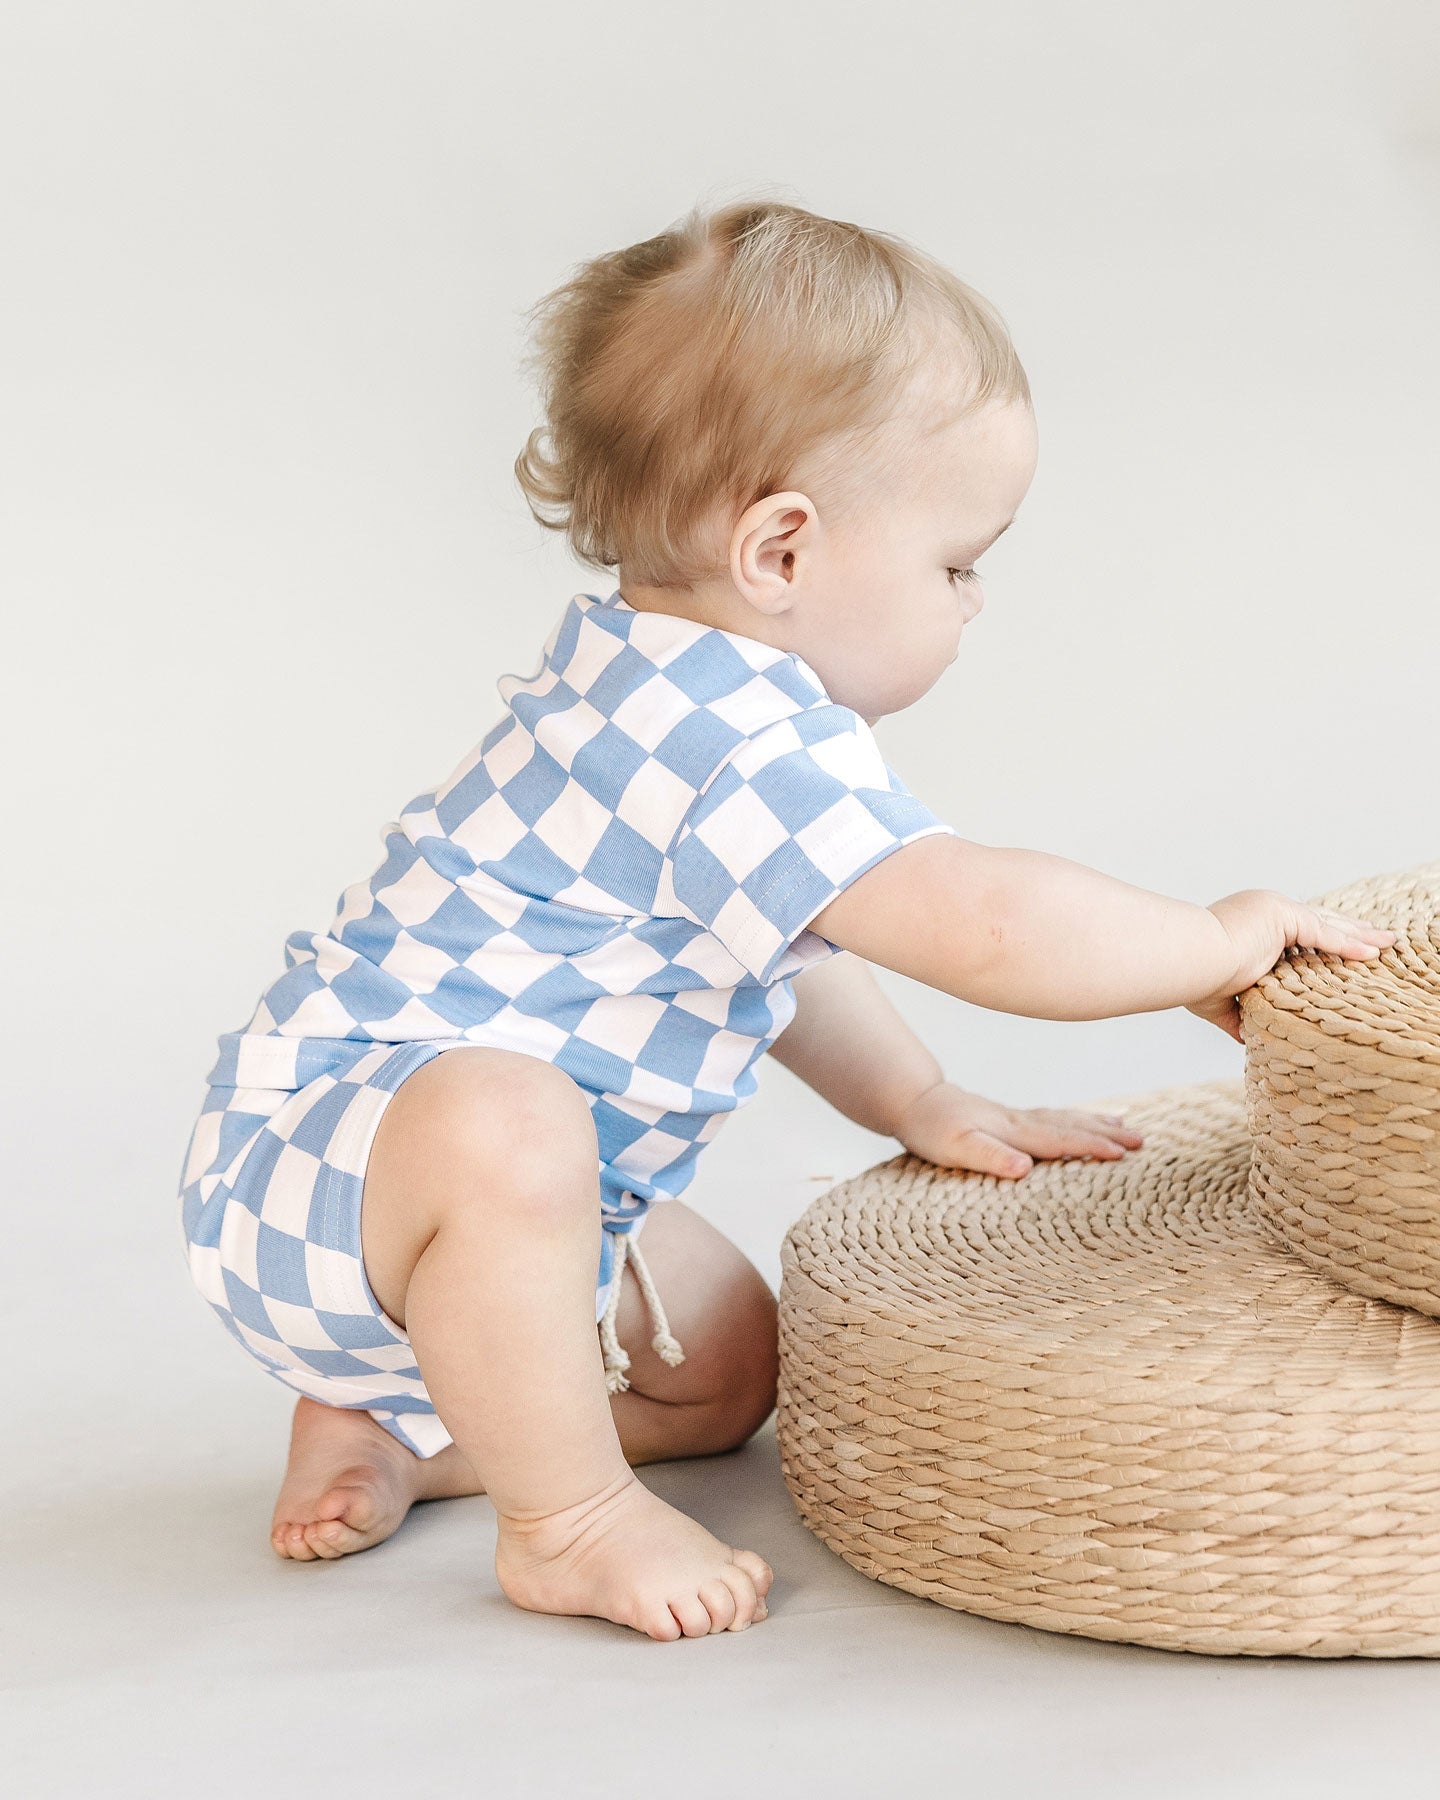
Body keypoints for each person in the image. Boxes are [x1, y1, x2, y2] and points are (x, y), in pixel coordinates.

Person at [176, 196, 1395, 1642]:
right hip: (329, 1172)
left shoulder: (666, 687)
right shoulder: (723, 741)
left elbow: (786, 956)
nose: (975, 600)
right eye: (956, 562)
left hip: (433, 1211)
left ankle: (399, 1429)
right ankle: (563, 1519)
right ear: (782, 552)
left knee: (728, 1370)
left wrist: (923, 1097)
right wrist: (1214, 936)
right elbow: (981, 921)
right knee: (508, 1121)